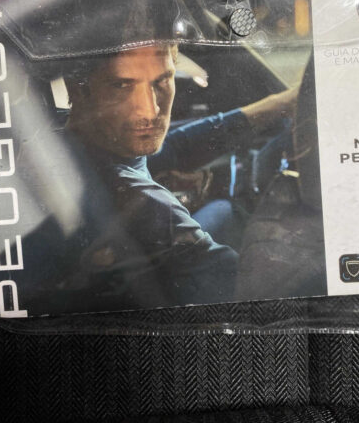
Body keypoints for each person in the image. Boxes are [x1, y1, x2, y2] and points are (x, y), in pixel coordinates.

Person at [21, 41, 297, 315]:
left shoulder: (65, 136)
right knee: (231, 211)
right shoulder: (145, 204)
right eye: (122, 85)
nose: (150, 110)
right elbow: (261, 298)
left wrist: (282, 103)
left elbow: (174, 148)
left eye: (162, 81)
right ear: (77, 88)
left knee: (223, 208)